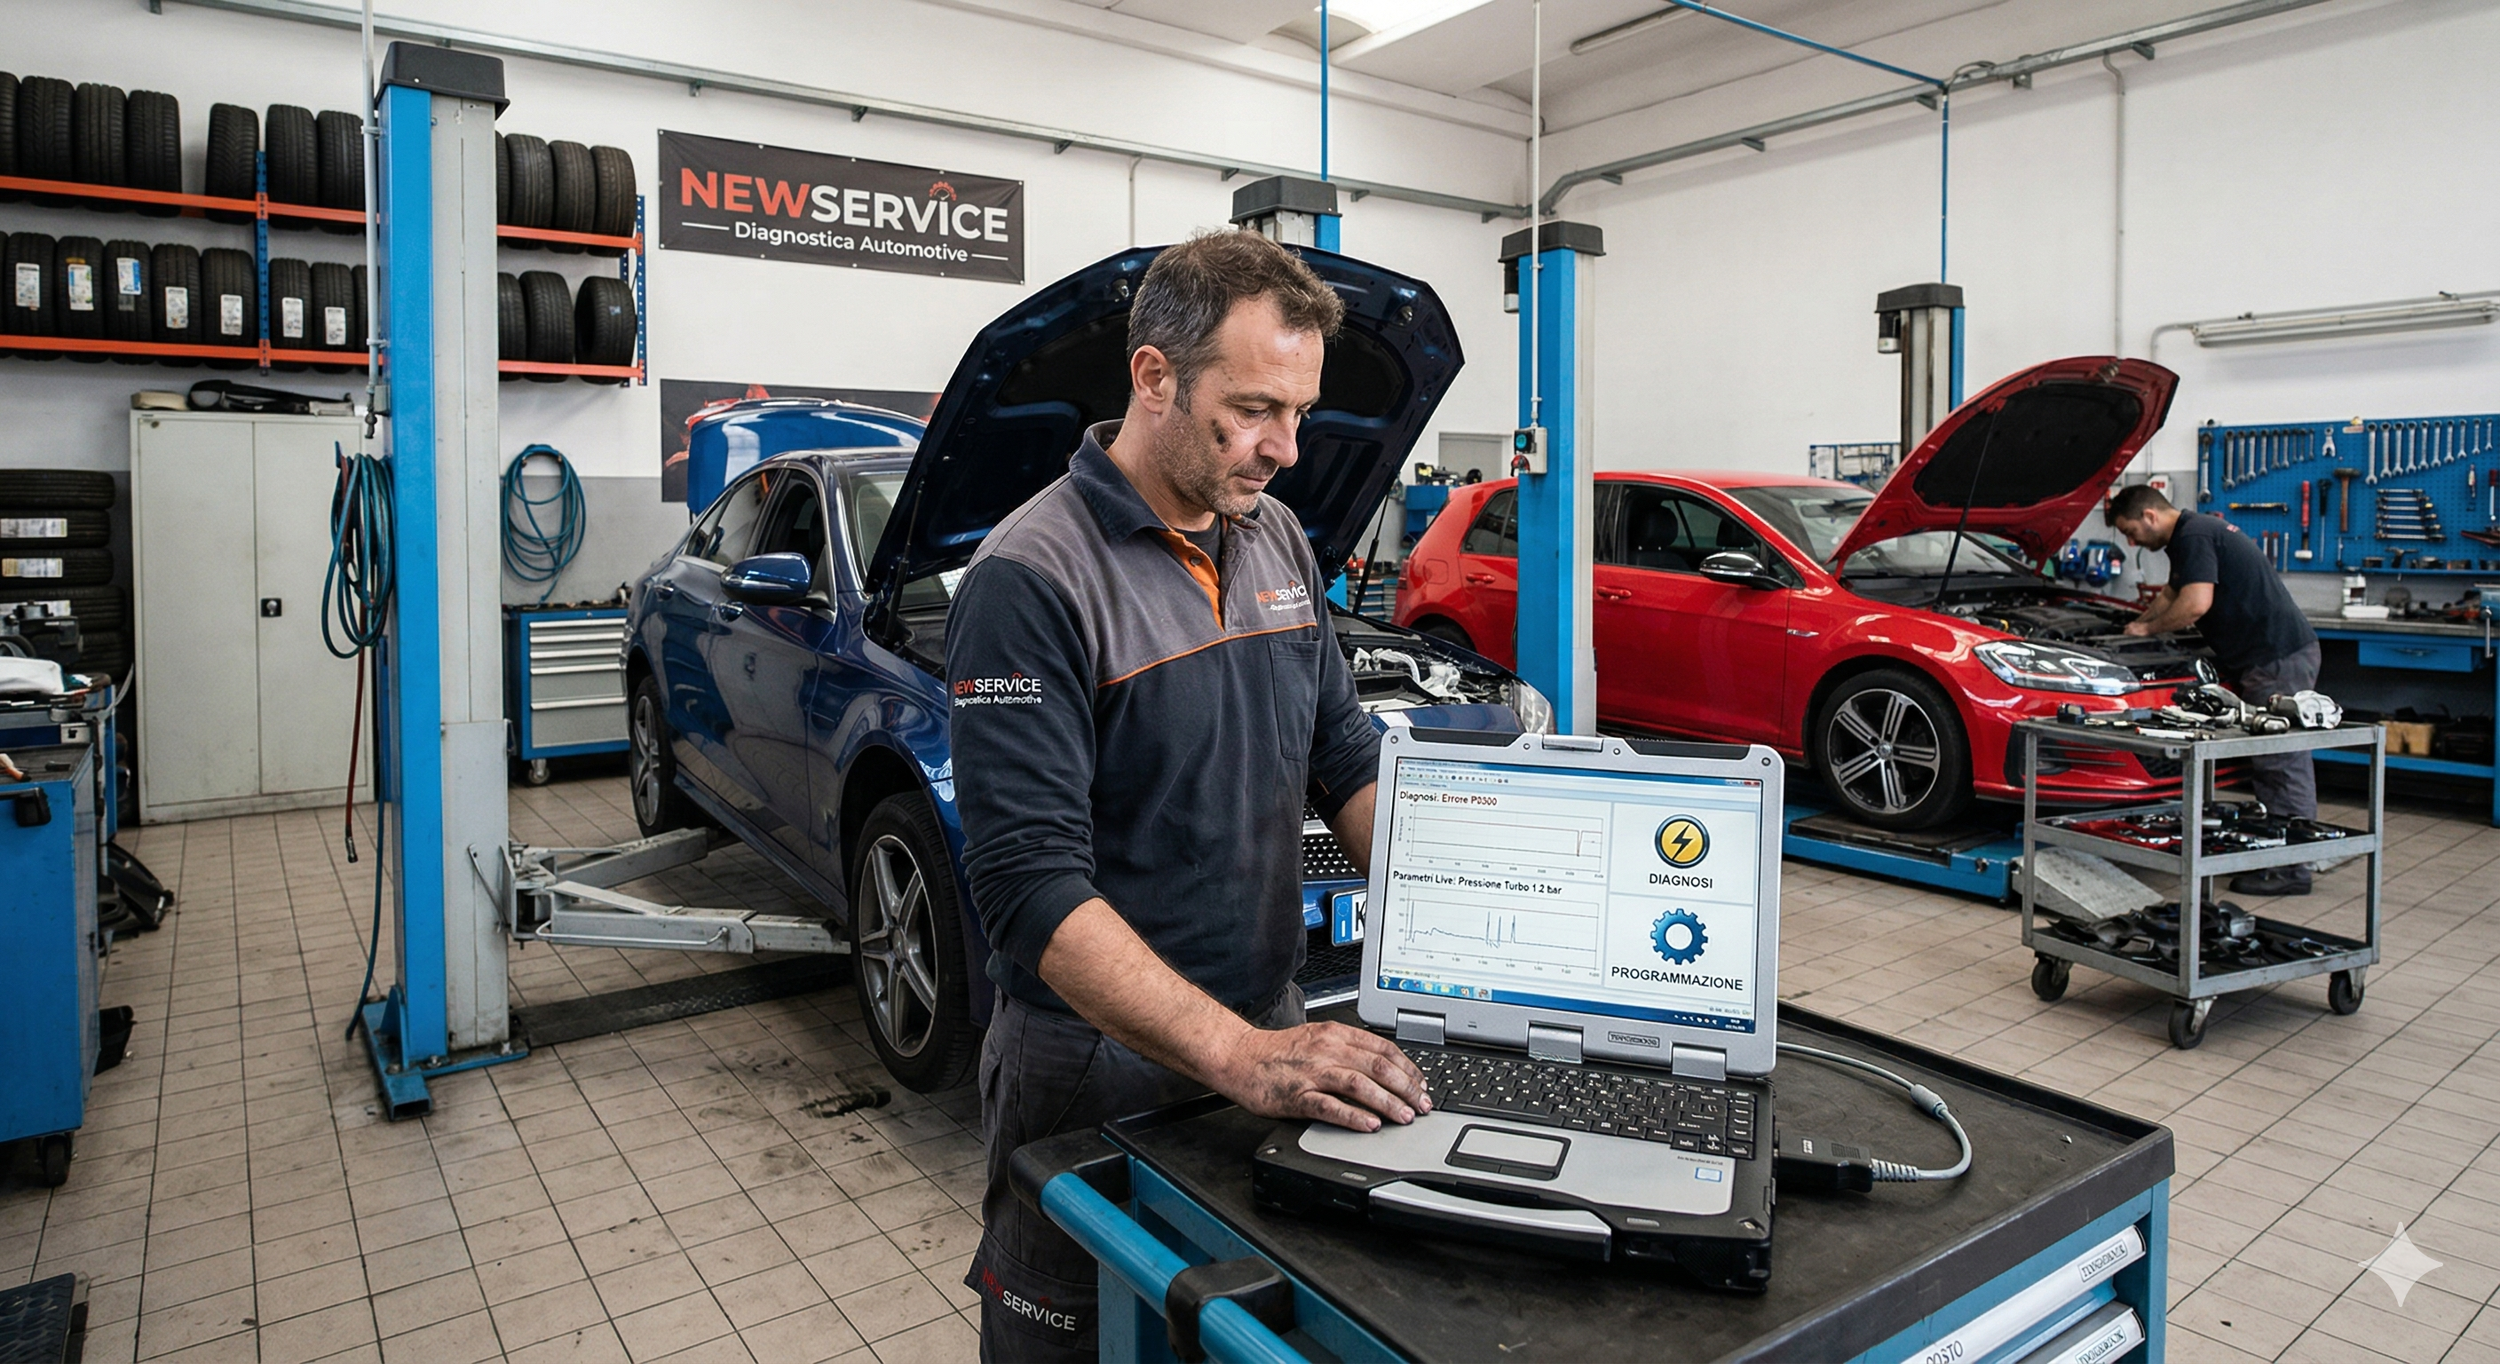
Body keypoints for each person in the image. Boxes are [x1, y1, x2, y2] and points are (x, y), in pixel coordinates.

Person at [945, 230, 1431, 1361]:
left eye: (1301, 412)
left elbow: (1345, 756)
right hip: (1092, 1063)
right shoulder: (1032, 577)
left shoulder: (1278, 546)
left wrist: (1463, 910)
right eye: (1255, 408)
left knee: (1237, 1335)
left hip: (1268, 1026)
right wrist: (1241, 1056)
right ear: (1154, 377)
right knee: (1077, 1342)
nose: (1288, 448)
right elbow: (1026, 884)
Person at [2109, 484, 2322, 895]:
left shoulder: (2194, 535)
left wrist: (2150, 629)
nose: (2131, 541)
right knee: (2273, 760)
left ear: (2150, 515)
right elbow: (2171, 594)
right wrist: (2134, 627)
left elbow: (2194, 604)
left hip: (2275, 659)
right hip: (2268, 657)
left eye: (2130, 531)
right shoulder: (2191, 536)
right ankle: (2274, 853)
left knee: (2280, 761)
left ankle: (2291, 870)